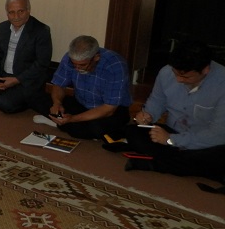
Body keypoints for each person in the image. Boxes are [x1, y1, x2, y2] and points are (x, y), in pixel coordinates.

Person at [119, 40, 225, 184]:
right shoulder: (166, 72)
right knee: (133, 132)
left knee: (219, 156)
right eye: (176, 74)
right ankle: (187, 165)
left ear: (205, 70)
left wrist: (171, 140)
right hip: (171, 133)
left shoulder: (222, 83)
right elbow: (157, 101)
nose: (178, 80)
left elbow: (218, 134)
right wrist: (147, 115)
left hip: (205, 142)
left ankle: (158, 164)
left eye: (186, 77)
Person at [31, 35, 131, 139]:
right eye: (74, 64)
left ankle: (60, 123)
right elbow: (59, 84)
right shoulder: (69, 58)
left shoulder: (115, 65)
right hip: (81, 103)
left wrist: (72, 118)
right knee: (35, 97)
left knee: (96, 128)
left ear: (96, 57)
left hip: (109, 109)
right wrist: (57, 103)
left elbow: (109, 109)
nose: (77, 68)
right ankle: (63, 122)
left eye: (82, 65)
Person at [0, 0, 52, 113]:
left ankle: (26, 97)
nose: (16, 16)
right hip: (3, 75)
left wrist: (16, 80)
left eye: (21, 11)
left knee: (5, 105)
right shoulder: (3, 27)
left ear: (28, 10)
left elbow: (42, 64)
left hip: (25, 79)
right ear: (7, 13)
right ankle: (8, 93)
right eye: (11, 12)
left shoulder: (41, 31)